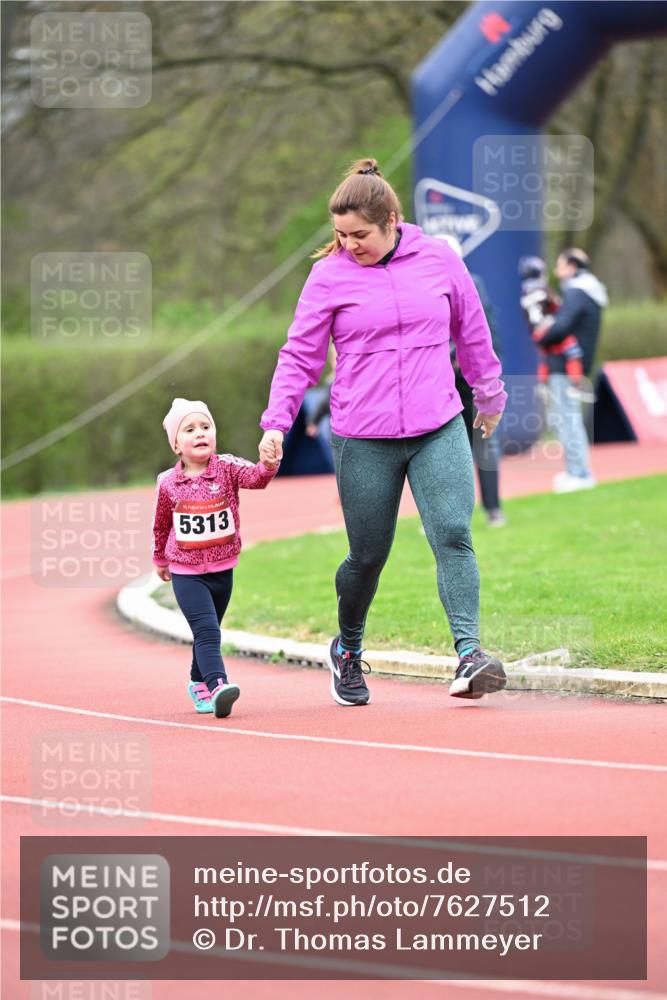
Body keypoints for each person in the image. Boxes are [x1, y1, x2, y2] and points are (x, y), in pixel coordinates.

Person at [259, 158, 508, 706]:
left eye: (360, 234)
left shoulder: (439, 259)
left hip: (437, 423)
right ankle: (348, 650)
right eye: (340, 235)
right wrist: (276, 422)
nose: (349, 244)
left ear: (391, 219)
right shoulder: (328, 276)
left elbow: (472, 330)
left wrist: (489, 396)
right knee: (368, 555)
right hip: (362, 435)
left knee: (451, 533)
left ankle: (470, 655)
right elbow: (298, 355)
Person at [152, 397, 279, 718]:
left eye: (206, 427)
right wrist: (160, 560)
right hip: (186, 571)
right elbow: (161, 524)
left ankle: (198, 683)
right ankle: (219, 684)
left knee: (208, 631)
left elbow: (256, 479)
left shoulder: (227, 468)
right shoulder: (168, 483)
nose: (200, 434)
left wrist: (268, 464)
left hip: (224, 567)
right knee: (208, 631)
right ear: (176, 445)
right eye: (190, 429)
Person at [532, 249, 608, 493]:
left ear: (573, 267)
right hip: (574, 367)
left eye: (560, 265)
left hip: (565, 367)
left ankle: (580, 473)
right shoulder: (588, 291)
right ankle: (576, 471)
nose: (556, 270)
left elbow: (560, 328)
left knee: (568, 419)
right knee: (567, 418)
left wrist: (541, 335)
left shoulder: (577, 292)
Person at [518, 256, 584, 386]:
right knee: (572, 348)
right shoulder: (544, 290)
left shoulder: (524, 293)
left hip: (536, 331)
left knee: (544, 356)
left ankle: (542, 382)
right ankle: (577, 382)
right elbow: (557, 305)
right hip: (548, 327)